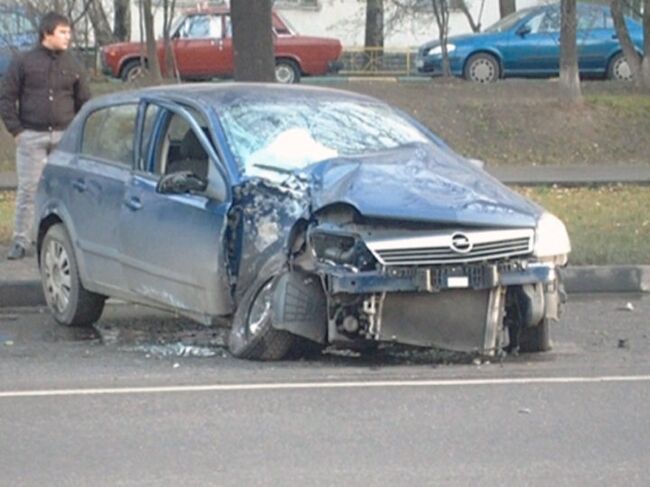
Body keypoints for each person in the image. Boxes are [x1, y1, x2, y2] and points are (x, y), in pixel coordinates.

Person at [0, 12, 90, 260]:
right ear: (46, 33)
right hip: (31, 136)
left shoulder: (73, 64)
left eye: (69, 32)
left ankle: (67, 241)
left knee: (66, 190)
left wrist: (77, 133)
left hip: (65, 137)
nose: (67, 37)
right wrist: (16, 131)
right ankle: (21, 240)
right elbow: (6, 97)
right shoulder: (24, 62)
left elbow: (85, 101)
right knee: (28, 190)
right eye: (62, 32)